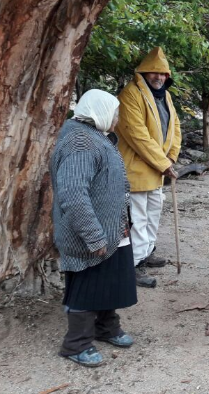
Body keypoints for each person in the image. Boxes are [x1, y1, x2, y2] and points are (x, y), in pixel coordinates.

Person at [51, 89, 137, 367]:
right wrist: (94, 235)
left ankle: (106, 327)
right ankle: (76, 344)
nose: (118, 118)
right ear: (100, 111)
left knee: (110, 277)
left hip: (111, 229)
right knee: (88, 284)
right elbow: (74, 194)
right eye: (115, 112)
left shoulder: (93, 136)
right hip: (90, 233)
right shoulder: (80, 142)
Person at [116, 47, 181, 288]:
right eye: (153, 72)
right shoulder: (130, 95)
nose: (159, 77)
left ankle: (146, 252)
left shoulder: (165, 95)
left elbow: (175, 126)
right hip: (135, 170)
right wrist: (164, 164)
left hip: (157, 169)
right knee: (138, 218)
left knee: (154, 212)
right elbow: (137, 136)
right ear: (143, 73)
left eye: (163, 73)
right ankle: (133, 265)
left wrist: (171, 157)